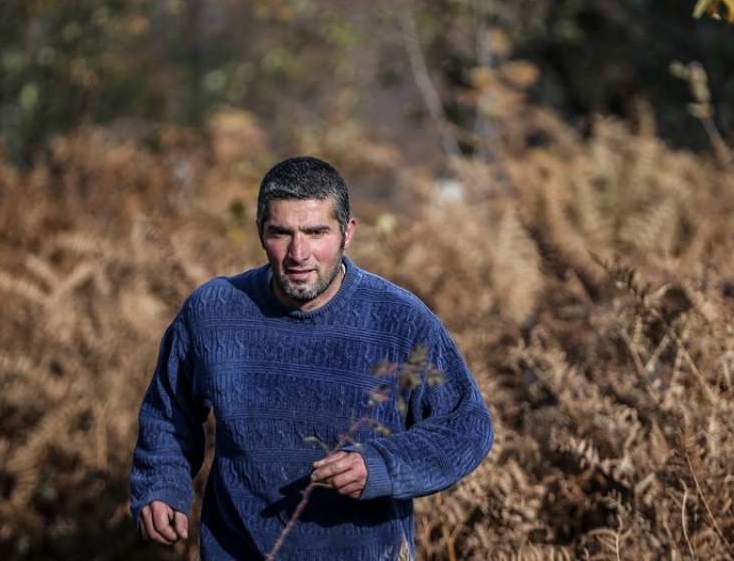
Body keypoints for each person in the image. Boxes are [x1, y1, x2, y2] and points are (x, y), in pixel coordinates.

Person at [130, 156, 493, 560]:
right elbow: (168, 411)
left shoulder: (401, 321)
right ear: (259, 233)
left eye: (316, 232)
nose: (298, 253)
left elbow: (467, 426)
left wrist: (382, 466)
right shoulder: (214, 313)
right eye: (281, 233)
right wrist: (161, 483)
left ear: (347, 233)